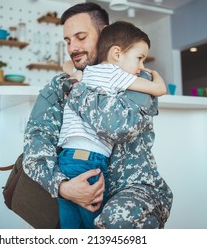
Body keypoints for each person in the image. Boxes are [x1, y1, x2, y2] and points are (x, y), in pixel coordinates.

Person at [22, 2, 173, 228]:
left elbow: (119, 126)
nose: (73, 47)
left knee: (114, 221)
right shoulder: (57, 87)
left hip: (133, 190)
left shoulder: (136, 79)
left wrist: (77, 88)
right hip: (72, 183)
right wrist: (64, 187)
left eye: (80, 37)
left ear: (103, 34)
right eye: (68, 41)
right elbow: (35, 147)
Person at [57, 21, 167, 228]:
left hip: (66, 157)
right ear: (117, 54)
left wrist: (74, 76)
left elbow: (67, 65)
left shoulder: (85, 72)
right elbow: (159, 89)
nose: (141, 66)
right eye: (139, 58)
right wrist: (155, 75)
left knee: (69, 225)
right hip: (91, 158)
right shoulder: (117, 74)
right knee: (97, 225)